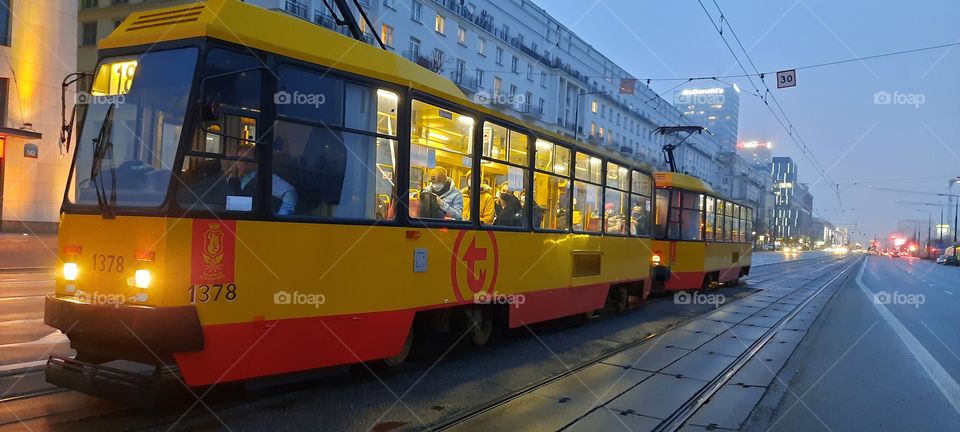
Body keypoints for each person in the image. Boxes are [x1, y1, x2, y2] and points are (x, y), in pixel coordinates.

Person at [228, 144, 298, 215]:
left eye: (247, 158)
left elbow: (289, 192)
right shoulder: (235, 180)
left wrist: (282, 214)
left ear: (256, 160)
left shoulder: (265, 177)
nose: (242, 162)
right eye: (239, 158)